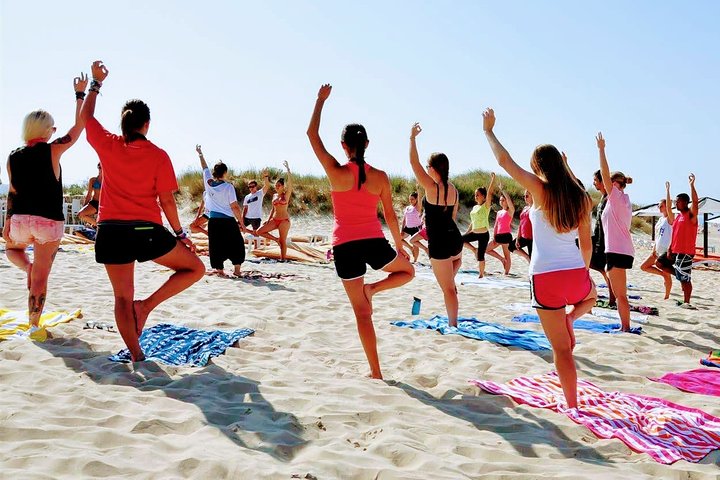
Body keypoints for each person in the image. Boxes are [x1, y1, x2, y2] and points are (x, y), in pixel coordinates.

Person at [84, 61, 204, 362]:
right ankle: (147, 306)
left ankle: (137, 355)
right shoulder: (158, 155)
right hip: (145, 231)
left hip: (111, 231)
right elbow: (167, 201)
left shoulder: (108, 145)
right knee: (196, 268)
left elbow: (86, 118)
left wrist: (95, 85)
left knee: (121, 298)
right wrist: (181, 234)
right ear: (146, 125)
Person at [483, 108, 596, 409]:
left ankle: (571, 405)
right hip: (575, 273)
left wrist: (489, 132)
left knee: (562, 351)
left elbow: (505, 162)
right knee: (592, 296)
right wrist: (581, 275)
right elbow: (586, 247)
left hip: (545, 278)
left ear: (538, 167)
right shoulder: (582, 198)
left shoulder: (540, 190)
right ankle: (572, 317)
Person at [307, 84, 414, 379]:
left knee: (362, 313)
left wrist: (320, 101)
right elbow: (391, 215)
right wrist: (400, 245)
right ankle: (374, 289)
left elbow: (312, 136)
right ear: (368, 144)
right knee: (408, 272)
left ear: (344, 146)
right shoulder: (380, 177)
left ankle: (376, 371)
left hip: (345, 246)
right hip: (374, 242)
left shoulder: (336, 171)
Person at [2, 72, 88, 327]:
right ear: (46, 130)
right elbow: (79, 127)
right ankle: (34, 324)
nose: (55, 131)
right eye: (52, 127)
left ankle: (26, 267)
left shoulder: (12, 156)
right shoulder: (53, 149)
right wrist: (80, 94)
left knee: (12, 249)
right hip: (48, 222)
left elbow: (13, 191)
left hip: (19, 219)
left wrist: (7, 221)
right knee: (41, 276)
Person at [409, 122, 464, 327]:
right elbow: (454, 215)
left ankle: (453, 324)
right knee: (450, 279)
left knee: (448, 289)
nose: (425, 169)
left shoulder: (432, 188)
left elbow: (413, 164)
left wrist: (412, 138)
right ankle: (451, 287)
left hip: (440, 244)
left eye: (427, 167)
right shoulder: (454, 190)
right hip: (455, 241)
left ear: (432, 169)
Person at [596, 132, 634, 332]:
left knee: (620, 294)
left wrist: (601, 150)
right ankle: (624, 326)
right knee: (620, 292)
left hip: (617, 250)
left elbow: (604, 172)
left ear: (613, 183)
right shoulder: (624, 199)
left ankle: (625, 327)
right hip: (621, 249)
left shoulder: (616, 196)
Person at [195, 144, 246, 276]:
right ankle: (237, 271)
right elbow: (235, 206)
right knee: (236, 244)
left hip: (214, 221)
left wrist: (200, 153)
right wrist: (241, 222)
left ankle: (219, 270)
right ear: (225, 172)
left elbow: (204, 167)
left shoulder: (208, 182)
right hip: (228, 221)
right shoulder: (228, 187)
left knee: (216, 246)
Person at [661, 174, 699, 308]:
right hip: (675, 250)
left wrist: (692, 185)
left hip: (686, 252)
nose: (675, 204)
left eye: (678, 202)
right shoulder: (678, 217)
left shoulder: (691, 215)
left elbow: (695, 202)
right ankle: (679, 275)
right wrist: (667, 191)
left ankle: (687, 302)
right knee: (659, 263)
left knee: (685, 278)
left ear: (684, 202)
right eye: (675, 202)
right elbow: (675, 233)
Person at [462, 173, 505, 277]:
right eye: (475, 195)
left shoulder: (485, 206)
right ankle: (473, 249)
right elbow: (472, 222)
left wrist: (493, 179)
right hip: (474, 232)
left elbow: (490, 192)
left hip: (483, 234)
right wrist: (467, 233)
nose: (476, 196)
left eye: (478, 195)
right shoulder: (474, 208)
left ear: (483, 196)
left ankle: (481, 274)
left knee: (481, 256)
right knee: (459, 240)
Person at [254, 161, 293, 261]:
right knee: (259, 231)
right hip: (275, 219)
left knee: (283, 240)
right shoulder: (275, 196)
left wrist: (288, 171)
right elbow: (273, 209)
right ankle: (276, 240)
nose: (277, 186)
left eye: (279, 185)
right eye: (276, 185)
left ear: (283, 186)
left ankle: (283, 259)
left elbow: (290, 184)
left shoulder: (286, 195)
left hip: (284, 221)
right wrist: (268, 219)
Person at [640, 185, 673, 299]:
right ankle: (661, 274)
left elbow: (669, 207)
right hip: (657, 249)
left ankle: (667, 296)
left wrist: (668, 191)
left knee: (667, 276)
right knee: (644, 266)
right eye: (659, 206)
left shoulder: (670, 218)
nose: (659, 208)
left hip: (665, 251)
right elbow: (658, 236)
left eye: (661, 206)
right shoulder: (660, 220)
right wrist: (653, 249)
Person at [590, 170, 615, 306]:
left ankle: (612, 299)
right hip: (598, 239)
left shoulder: (609, 198)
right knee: (595, 266)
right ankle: (612, 298)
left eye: (595, 180)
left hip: (605, 241)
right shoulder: (603, 197)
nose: (594, 183)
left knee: (606, 271)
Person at [485, 181, 515, 275]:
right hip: (498, 236)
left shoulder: (510, 211)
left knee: (507, 255)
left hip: (506, 236)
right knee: (486, 249)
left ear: (506, 201)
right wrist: (494, 235)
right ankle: (501, 259)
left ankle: (506, 273)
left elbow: (509, 201)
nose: (501, 202)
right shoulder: (499, 212)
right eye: (500, 200)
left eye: (503, 200)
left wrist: (503, 190)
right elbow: (496, 225)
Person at [509, 190, 533, 262]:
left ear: (532, 195)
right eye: (524, 196)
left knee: (533, 260)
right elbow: (521, 223)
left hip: (533, 238)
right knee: (511, 246)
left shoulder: (535, 208)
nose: (525, 198)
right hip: (523, 236)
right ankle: (527, 257)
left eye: (527, 196)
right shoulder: (525, 208)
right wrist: (517, 238)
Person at [401, 191, 424, 262]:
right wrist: (402, 230)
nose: (411, 201)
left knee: (415, 245)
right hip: (407, 228)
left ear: (416, 199)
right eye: (410, 199)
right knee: (399, 239)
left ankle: (415, 260)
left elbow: (420, 200)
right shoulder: (408, 207)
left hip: (416, 228)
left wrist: (418, 190)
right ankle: (410, 248)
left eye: (412, 199)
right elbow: (404, 219)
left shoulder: (418, 207)